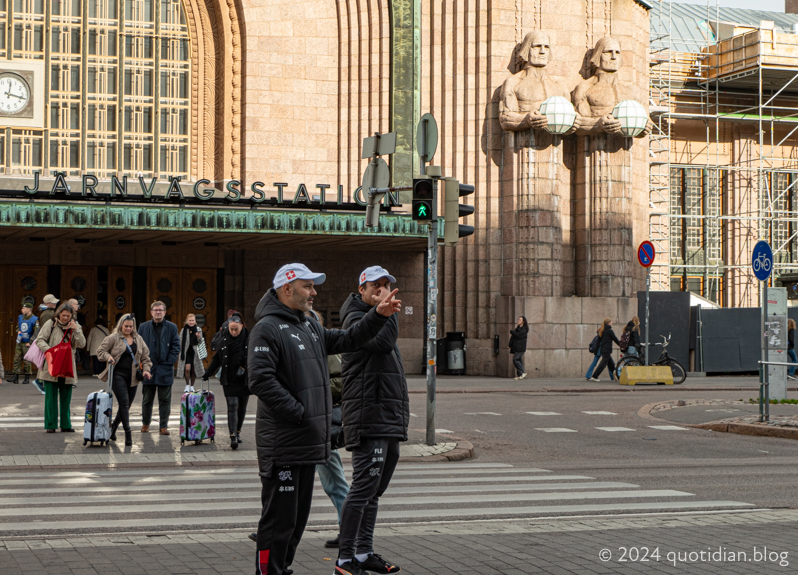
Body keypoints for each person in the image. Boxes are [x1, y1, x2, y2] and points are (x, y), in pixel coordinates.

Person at [248, 263, 401, 575]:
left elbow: (349, 338)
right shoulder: (268, 328)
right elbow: (260, 381)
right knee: (278, 521)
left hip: (306, 442)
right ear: (287, 289)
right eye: (308, 286)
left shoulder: (309, 325)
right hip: (284, 443)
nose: (314, 292)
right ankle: (268, 572)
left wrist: (378, 315)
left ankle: (282, 568)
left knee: (295, 522)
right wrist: (301, 413)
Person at [335, 266, 409, 575]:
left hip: (386, 415)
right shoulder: (355, 318)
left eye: (386, 285)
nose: (382, 290)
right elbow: (384, 343)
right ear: (361, 289)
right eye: (375, 286)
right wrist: (388, 312)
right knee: (363, 488)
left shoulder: (376, 316)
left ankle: (364, 553)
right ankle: (345, 558)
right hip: (369, 415)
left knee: (374, 490)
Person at [96, 315, 153, 446]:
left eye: (131, 326)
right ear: (121, 325)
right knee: (124, 403)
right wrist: (108, 356)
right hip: (117, 375)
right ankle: (128, 432)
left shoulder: (138, 339)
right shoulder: (113, 338)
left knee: (126, 406)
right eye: (126, 326)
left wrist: (146, 370)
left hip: (133, 377)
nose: (128, 328)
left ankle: (114, 427)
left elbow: (146, 357)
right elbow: (100, 351)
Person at [35, 302, 85, 432]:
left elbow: (82, 344)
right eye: (63, 315)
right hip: (52, 364)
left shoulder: (75, 325)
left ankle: (66, 424)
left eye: (68, 316)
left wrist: (76, 330)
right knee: (50, 396)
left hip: (67, 364)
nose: (65, 318)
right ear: (58, 314)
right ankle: (50, 425)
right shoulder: (51, 324)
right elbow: (40, 340)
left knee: (66, 396)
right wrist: (50, 351)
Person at [202, 314, 250, 449]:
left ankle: (238, 431)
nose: (234, 332)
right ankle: (233, 435)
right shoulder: (224, 339)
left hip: (244, 378)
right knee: (233, 406)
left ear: (242, 326)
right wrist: (207, 373)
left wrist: (246, 368)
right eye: (231, 329)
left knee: (242, 408)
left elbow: (255, 357)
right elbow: (217, 359)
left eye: (236, 329)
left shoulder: (249, 339)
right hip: (229, 378)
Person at [138, 301, 180, 435]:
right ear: (151, 312)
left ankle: (163, 426)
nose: (158, 312)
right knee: (147, 399)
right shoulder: (143, 327)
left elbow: (176, 346)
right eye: (155, 310)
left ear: (165, 312)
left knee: (165, 400)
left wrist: (170, 362)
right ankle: (145, 423)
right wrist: (143, 365)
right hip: (148, 368)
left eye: (160, 310)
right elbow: (139, 347)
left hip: (165, 368)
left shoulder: (172, 327)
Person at [7, 298, 39, 385]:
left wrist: (31, 341)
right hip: (20, 341)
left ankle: (27, 377)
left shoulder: (34, 319)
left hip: (27, 342)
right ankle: (15, 376)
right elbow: (18, 326)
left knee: (26, 360)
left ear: (29, 309)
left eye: (24, 308)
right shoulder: (20, 317)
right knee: (17, 358)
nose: (22, 310)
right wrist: (18, 331)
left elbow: (36, 331)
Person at [178, 313, 206, 393]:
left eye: (193, 320)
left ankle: (192, 386)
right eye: (190, 320)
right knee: (187, 369)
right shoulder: (183, 330)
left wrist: (198, 337)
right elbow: (180, 341)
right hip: (186, 352)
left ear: (195, 321)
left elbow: (201, 341)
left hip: (195, 352)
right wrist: (180, 352)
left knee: (194, 370)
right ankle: (187, 385)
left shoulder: (198, 329)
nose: (191, 322)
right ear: (187, 321)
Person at [590, 318, 620, 382]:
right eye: (611, 321)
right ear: (609, 323)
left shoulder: (602, 330)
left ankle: (617, 376)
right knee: (603, 364)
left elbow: (598, 342)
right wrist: (621, 346)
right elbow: (615, 339)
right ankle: (595, 376)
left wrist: (596, 351)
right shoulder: (609, 331)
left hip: (603, 349)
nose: (612, 323)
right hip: (607, 350)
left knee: (611, 364)